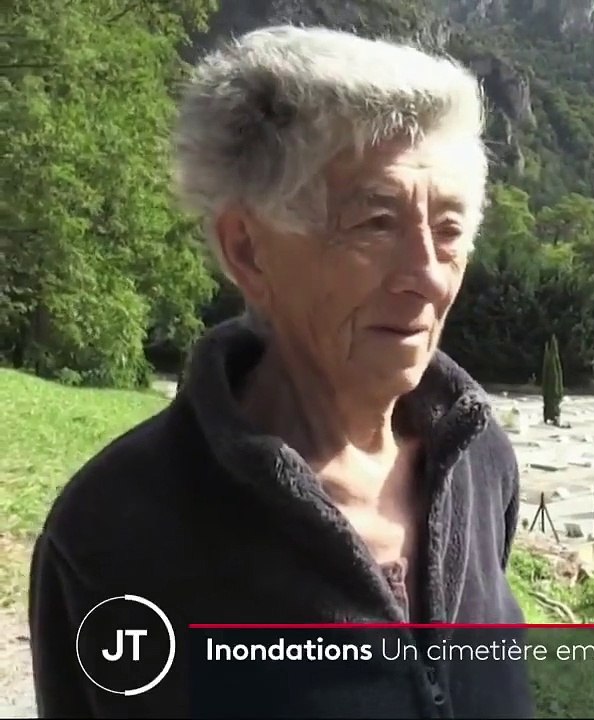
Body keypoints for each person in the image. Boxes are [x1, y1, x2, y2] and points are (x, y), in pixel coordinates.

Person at [28, 26, 533, 718]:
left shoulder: (478, 462)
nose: (426, 276)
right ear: (250, 250)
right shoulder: (118, 532)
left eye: (448, 230)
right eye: (375, 222)